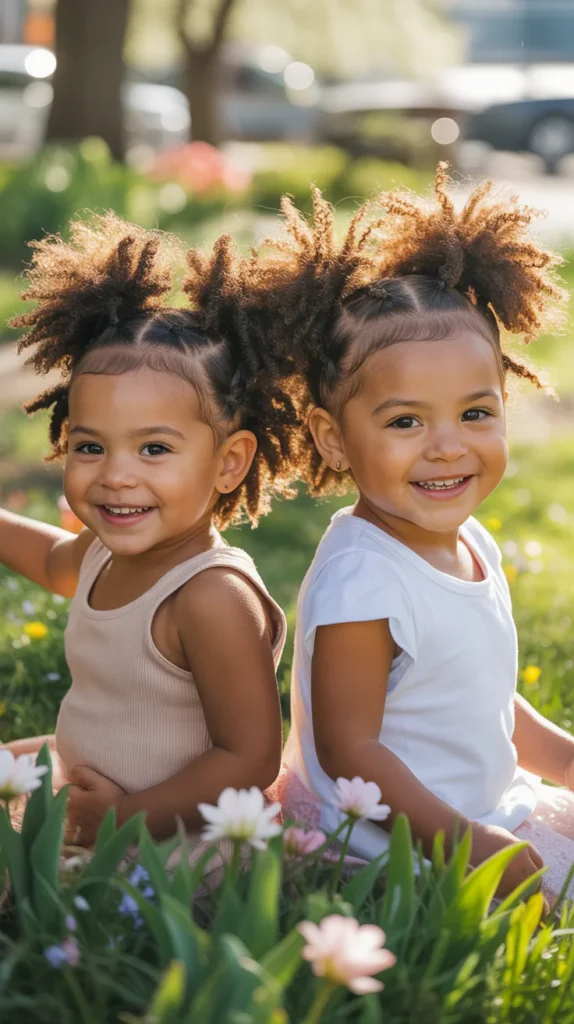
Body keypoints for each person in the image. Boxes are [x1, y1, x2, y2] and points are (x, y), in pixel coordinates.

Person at [264, 165, 574, 903]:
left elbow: (485, 700)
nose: (447, 446)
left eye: (475, 413)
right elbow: (350, 753)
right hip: (390, 844)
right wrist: (472, 847)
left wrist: (563, 760)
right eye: (405, 422)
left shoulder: (472, 542)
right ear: (332, 438)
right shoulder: (363, 582)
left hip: (475, 807)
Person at [1, 213, 301, 850]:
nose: (115, 477)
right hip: (92, 788)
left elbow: (249, 761)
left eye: (154, 450)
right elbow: (56, 559)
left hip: (171, 835)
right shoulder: (104, 552)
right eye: (89, 446)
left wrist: (122, 818)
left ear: (230, 463)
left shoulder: (211, 598)